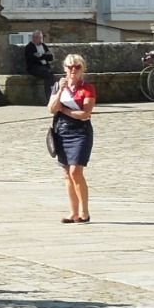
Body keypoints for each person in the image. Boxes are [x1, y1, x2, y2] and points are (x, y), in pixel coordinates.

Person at [50, 54, 96, 224]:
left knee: (76, 170)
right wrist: (61, 91)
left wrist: (65, 110)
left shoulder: (87, 88)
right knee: (66, 173)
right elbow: (51, 109)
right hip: (62, 130)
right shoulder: (58, 86)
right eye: (70, 67)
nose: (73, 70)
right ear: (65, 69)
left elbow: (85, 114)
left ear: (82, 69)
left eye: (77, 67)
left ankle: (84, 211)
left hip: (81, 132)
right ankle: (73, 212)